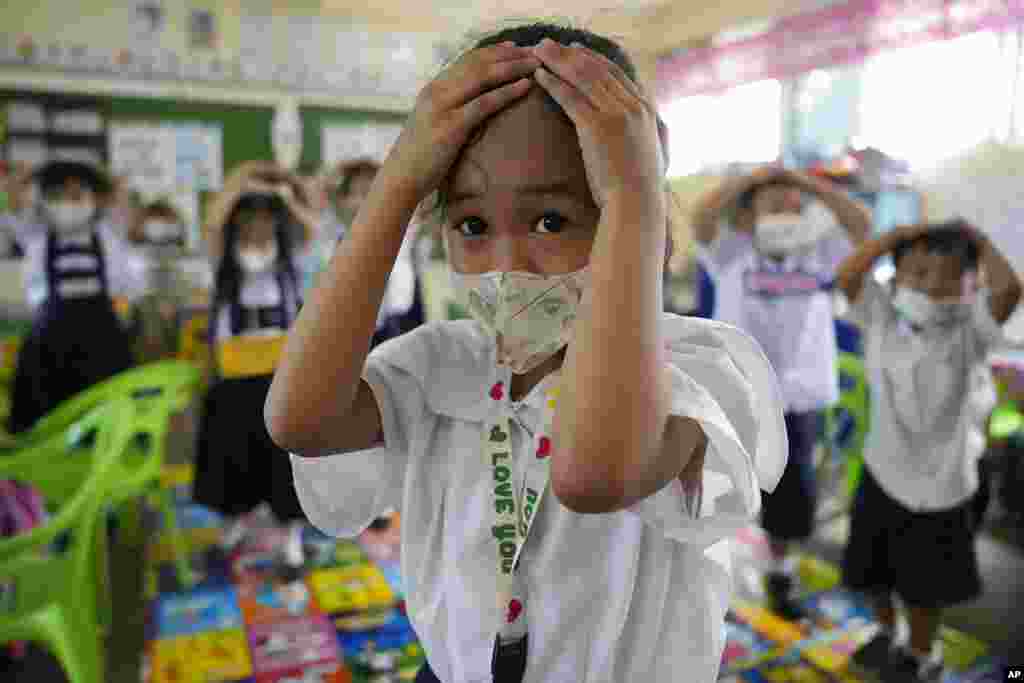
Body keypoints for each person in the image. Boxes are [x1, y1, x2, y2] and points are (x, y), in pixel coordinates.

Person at [266, 23, 788, 683]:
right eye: (472, 226)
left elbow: (592, 472)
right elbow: (300, 420)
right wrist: (395, 186)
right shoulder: (446, 361)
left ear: (636, 220)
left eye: (552, 221)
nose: (507, 264)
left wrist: (633, 194)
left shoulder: (699, 367)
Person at [835, 219, 1021, 682]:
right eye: (919, 274)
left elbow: (1010, 289)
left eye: (950, 276)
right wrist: (894, 239)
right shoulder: (879, 317)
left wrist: (977, 239)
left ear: (971, 283)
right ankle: (887, 633)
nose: (934, 287)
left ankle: (922, 655)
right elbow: (849, 277)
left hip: (943, 488)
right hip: (882, 473)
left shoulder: (971, 330)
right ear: (896, 280)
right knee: (870, 574)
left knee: (925, 590)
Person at [692, 165, 871, 618]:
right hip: (739, 391)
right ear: (749, 217)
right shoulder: (732, 252)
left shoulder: (820, 254)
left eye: (795, 205)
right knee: (719, 487)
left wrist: (808, 184)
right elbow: (702, 218)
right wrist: (752, 181)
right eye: (774, 204)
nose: (787, 210)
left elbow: (861, 225)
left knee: (790, 498)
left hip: (799, 397)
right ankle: (705, 577)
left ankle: (780, 573)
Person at [193, 161, 318, 539]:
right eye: (248, 217)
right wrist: (240, 182)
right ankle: (235, 517)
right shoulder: (222, 262)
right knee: (232, 452)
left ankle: (291, 531)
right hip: (234, 375)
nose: (257, 225)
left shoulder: (292, 262)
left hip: (281, 375)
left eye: (266, 217)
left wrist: (287, 192)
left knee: (284, 458)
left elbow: (313, 226)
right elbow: (212, 223)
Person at [7, 161, 137, 433]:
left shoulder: (109, 233)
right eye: (59, 196)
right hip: (49, 345)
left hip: (103, 341)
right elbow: (15, 200)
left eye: (77, 195)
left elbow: (119, 198)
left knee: (105, 416)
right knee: (45, 417)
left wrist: (100, 177)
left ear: (95, 200)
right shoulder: (36, 234)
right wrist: (28, 174)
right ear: (45, 201)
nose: (69, 202)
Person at [326, 158, 426, 348]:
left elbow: (419, 191)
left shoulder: (403, 230)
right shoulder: (339, 242)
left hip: (398, 333)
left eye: (368, 192)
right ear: (344, 201)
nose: (361, 201)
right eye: (353, 194)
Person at [124, 199, 192, 362]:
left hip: (180, 329)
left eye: (167, 224)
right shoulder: (133, 257)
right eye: (155, 223)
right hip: (145, 330)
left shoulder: (182, 259)